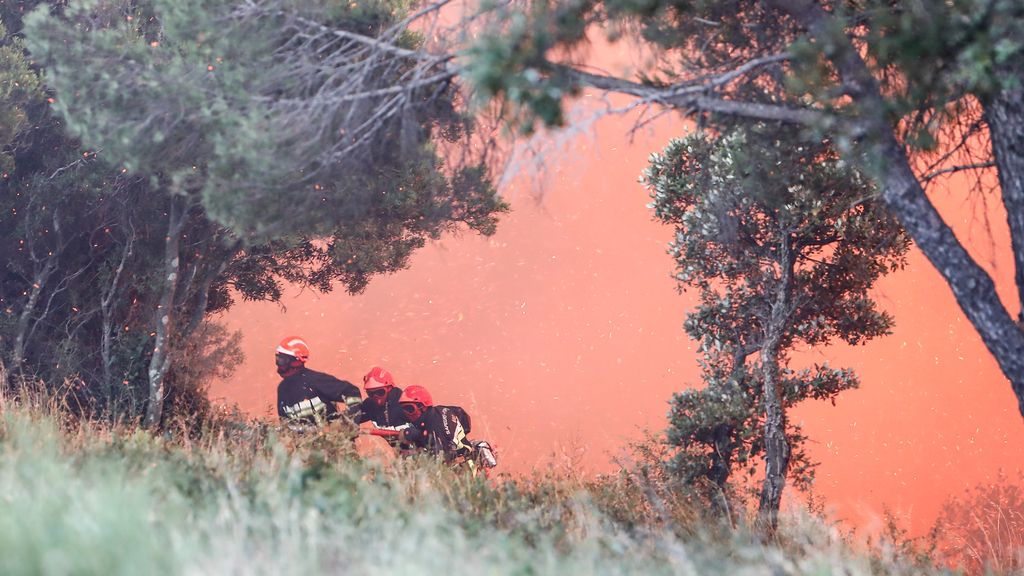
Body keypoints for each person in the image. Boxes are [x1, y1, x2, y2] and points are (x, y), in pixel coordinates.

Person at [397, 385, 497, 470]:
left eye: (409, 409)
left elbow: (439, 460)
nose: (407, 414)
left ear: (422, 407)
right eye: (403, 410)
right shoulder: (439, 411)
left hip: (462, 468)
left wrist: (412, 453)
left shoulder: (433, 424)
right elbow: (464, 418)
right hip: (464, 457)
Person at [275, 336, 361, 431]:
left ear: (296, 361)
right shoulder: (282, 389)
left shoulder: (316, 380)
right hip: (305, 445)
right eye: (278, 359)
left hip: (332, 443)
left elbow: (352, 393)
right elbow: (285, 425)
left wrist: (347, 423)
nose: (279, 364)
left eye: (282, 360)